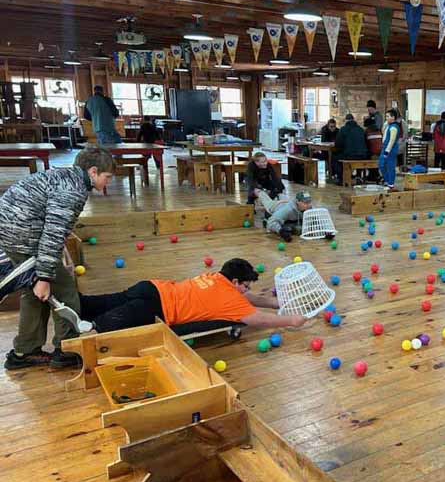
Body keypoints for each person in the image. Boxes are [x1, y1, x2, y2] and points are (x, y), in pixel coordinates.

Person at [0, 147, 114, 370]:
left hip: (12, 230)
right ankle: (67, 350)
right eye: (107, 177)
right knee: (65, 291)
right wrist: (44, 276)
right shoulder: (74, 191)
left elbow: (54, 227)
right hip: (21, 236)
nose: (107, 182)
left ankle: (24, 352)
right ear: (93, 171)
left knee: (35, 295)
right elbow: (52, 234)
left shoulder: (67, 177)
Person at [79, 258, 306, 333]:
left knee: (97, 303)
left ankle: (69, 301)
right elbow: (259, 319)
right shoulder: (230, 300)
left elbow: (250, 298)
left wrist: (277, 302)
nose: (247, 290)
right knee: (96, 328)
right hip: (156, 309)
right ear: (235, 282)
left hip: (151, 287)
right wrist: (291, 320)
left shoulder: (216, 277)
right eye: (246, 285)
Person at [333, 114, 367, 184]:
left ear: (346, 120)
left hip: (349, 156)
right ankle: (358, 176)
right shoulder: (361, 129)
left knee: (334, 158)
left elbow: (338, 144)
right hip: (362, 156)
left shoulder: (343, 129)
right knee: (357, 155)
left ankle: (341, 178)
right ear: (353, 120)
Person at [380, 109, 402, 191]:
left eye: (388, 116)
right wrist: (385, 124)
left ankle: (391, 184)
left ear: (393, 117)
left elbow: (392, 140)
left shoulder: (394, 127)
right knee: (381, 165)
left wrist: (387, 151)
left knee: (390, 166)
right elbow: (383, 132)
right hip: (384, 147)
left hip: (390, 149)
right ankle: (387, 180)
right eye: (386, 116)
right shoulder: (388, 125)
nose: (386, 118)